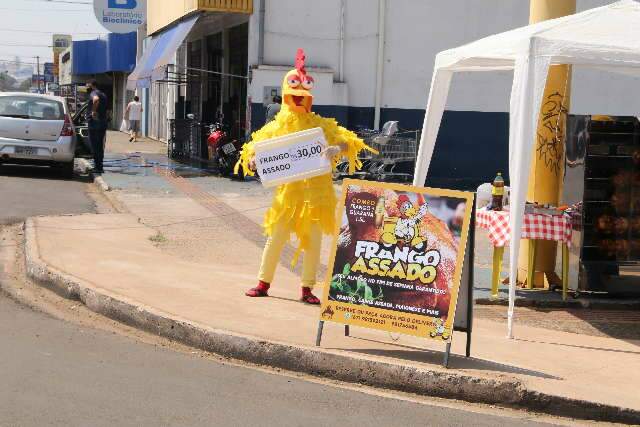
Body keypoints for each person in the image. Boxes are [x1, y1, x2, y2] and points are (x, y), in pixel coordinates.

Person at [236, 49, 376, 305]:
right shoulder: (276, 127)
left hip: (316, 197)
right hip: (287, 197)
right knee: (275, 238)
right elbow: (256, 148)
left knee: (312, 243)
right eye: (295, 95)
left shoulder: (321, 125)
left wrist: (338, 148)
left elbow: (350, 142)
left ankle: (307, 288)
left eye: (304, 95)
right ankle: (263, 282)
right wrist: (254, 159)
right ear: (287, 95)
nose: (299, 100)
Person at [86, 79, 108, 174]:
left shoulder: (93, 93)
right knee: (100, 146)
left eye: (87, 85)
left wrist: (93, 112)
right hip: (103, 123)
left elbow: (96, 100)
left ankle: (97, 167)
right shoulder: (103, 95)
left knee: (94, 146)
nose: (87, 87)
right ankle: (99, 167)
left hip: (94, 124)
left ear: (92, 85)